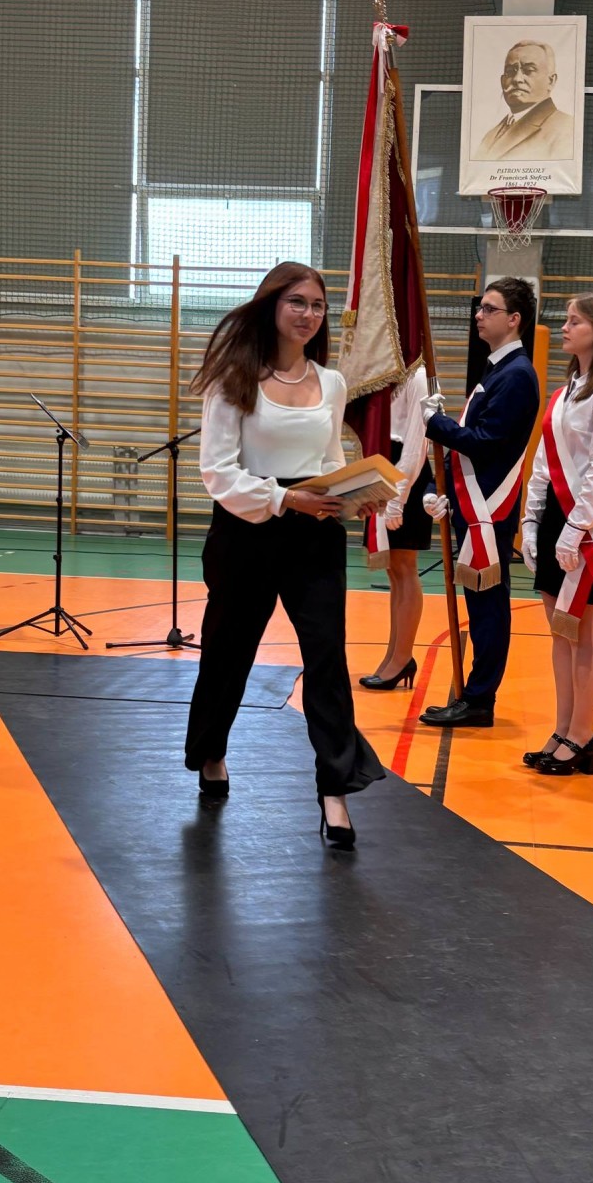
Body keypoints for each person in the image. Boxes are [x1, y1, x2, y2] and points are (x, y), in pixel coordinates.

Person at [184, 262, 385, 849]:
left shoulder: (333, 383)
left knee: (327, 658)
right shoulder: (234, 379)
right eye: (297, 302)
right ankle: (210, 752)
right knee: (228, 652)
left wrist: (353, 494)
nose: (308, 314)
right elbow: (217, 473)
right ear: (272, 305)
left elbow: (328, 460)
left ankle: (335, 790)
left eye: (318, 305)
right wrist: (285, 498)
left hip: (314, 535)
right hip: (246, 532)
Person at [520, 291, 593, 776]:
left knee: (585, 633)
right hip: (557, 517)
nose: (565, 327)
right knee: (560, 631)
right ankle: (563, 727)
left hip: (589, 523)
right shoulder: (568, 388)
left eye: (575, 321)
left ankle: (582, 735)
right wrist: (532, 521)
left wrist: (575, 530)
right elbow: (544, 460)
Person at [418, 277, 540, 728]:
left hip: (489, 510)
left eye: (490, 309)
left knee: (487, 610)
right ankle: (474, 695)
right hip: (472, 506)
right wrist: (443, 491)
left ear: (514, 319)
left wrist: (438, 424)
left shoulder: (517, 375)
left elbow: (487, 443)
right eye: (480, 307)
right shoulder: (498, 370)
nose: (479, 315)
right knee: (480, 606)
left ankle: (480, 699)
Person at [357, 365, 434, 692]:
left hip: (406, 475)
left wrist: (398, 497)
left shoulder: (418, 376)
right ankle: (394, 654)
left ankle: (402, 657)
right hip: (384, 464)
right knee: (393, 570)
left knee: (404, 567)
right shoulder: (384, 371)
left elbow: (418, 444)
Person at [475, 40, 576, 162]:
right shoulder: (490, 136)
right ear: (502, 81)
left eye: (529, 70)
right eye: (510, 72)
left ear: (551, 81)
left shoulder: (567, 129)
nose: (517, 79)